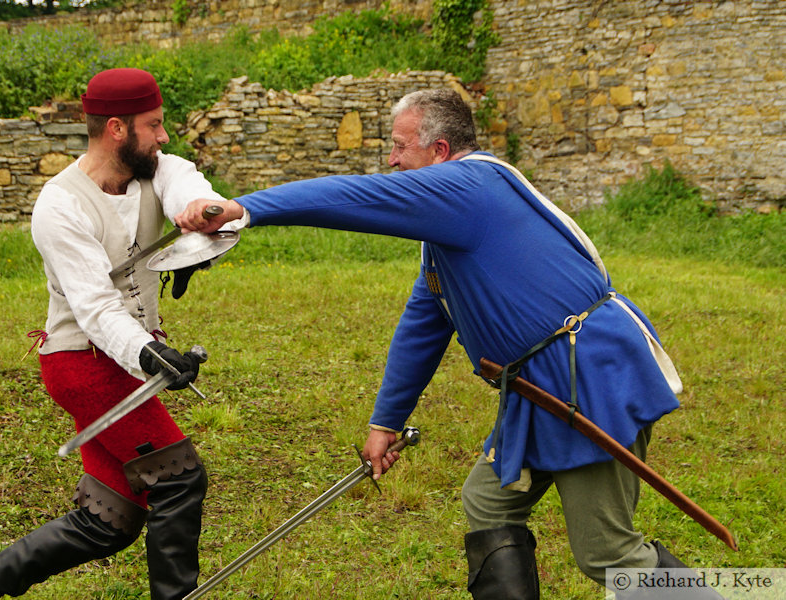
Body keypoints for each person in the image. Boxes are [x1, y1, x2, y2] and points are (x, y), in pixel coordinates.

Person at [175, 89, 722, 599]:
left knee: (607, 555)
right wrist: (385, 422)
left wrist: (245, 207)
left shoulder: (469, 187)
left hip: (590, 379)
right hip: (538, 392)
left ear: (439, 151)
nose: (390, 160)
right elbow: (424, 325)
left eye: (398, 146)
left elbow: (354, 196)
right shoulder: (448, 232)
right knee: (487, 503)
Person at [0, 68, 221, 600]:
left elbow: (183, 179)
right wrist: (152, 352)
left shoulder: (153, 171)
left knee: (108, 521)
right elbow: (94, 307)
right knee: (179, 480)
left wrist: (200, 214)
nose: (163, 137)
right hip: (84, 364)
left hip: (126, 358)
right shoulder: (59, 205)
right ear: (116, 128)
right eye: (154, 125)